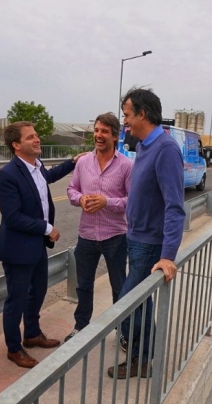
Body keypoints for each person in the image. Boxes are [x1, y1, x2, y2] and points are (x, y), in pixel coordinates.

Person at [108, 88, 185, 380]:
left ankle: (140, 357)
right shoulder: (143, 146)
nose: (124, 121)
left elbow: (174, 206)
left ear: (142, 114)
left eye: (127, 115)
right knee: (142, 303)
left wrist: (167, 256)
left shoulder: (166, 149)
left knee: (127, 304)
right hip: (135, 238)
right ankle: (142, 360)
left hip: (150, 244)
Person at [0, 121, 82, 369]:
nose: (37, 139)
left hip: (36, 245)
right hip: (18, 249)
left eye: (36, 135)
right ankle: (14, 348)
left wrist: (73, 162)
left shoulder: (37, 166)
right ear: (16, 145)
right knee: (17, 299)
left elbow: (48, 177)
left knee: (38, 291)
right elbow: (12, 217)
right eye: (30, 137)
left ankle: (32, 333)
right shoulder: (7, 175)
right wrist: (47, 228)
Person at [64, 112, 132, 342]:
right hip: (87, 235)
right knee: (83, 286)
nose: (98, 135)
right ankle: (81, 326)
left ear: (115, 136)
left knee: (119, 287)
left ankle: (122, 330)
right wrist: (80, 199)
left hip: (116, 236)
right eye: (96, 130)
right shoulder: (83, 162)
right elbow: (71, 189)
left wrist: (107, 202)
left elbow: (133, 201)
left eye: (104, 131)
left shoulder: (126, 166)